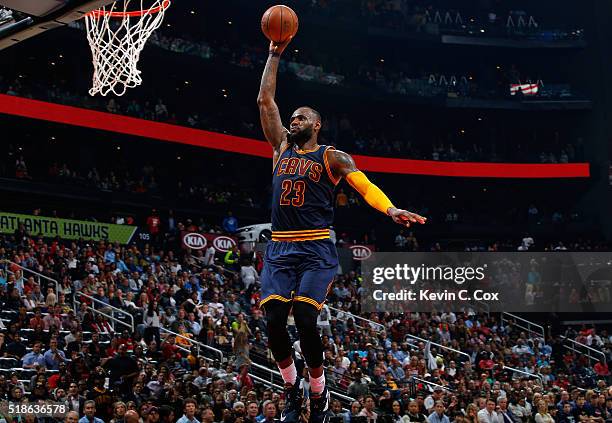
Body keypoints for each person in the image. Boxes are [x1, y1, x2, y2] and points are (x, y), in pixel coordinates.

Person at [257, 35, 426, 423]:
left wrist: (390, 208)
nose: (293, 121)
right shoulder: (280, 148)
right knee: (272, 323)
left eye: (300, 118)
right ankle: (291, 386)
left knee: (303, 318)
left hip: (316, 249)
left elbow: (362, 184)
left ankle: (319, 390)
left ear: (316, 125)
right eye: (292, 118)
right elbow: (265, 102)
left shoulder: (332, 156)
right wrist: (273, 55)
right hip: (280, 248)